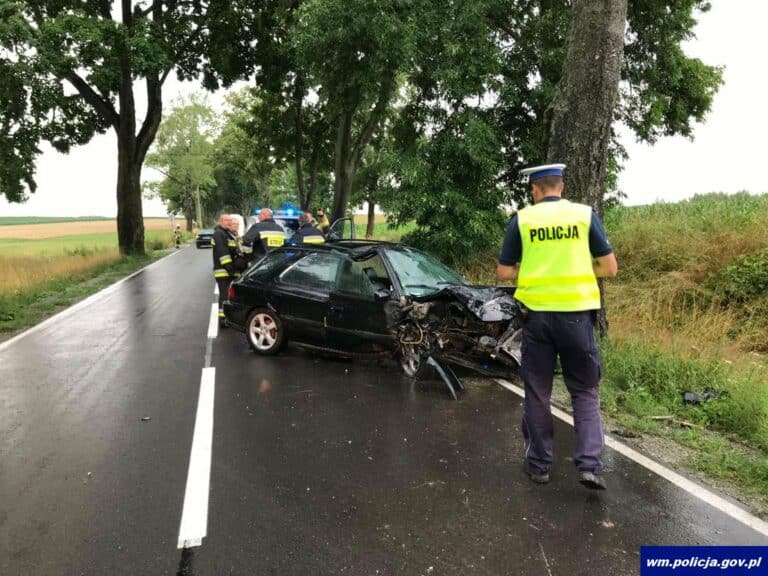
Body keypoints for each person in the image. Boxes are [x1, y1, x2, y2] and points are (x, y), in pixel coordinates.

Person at [496, 163, 618, 490]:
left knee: (538, 392)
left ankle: (539, 465)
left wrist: (534, 271)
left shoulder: (522, 220)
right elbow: (609, 267)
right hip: (578, 319)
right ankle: (590, 466)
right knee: (585, 391)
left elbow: (504, 273)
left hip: (537, 318)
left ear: (535, 190)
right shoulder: (584, 215)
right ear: (561, 186)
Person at [212, 214, 240, 326]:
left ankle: (228, 317)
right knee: (224, 296)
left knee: (228, 296)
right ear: (221, 221)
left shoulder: (227, 234)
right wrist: (231, 270)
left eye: (230, 220)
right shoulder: (219, 234)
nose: (229, 222)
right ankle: (223, 320)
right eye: (226, 220)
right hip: (224, 272)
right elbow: (223, 254)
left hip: (229, 271)